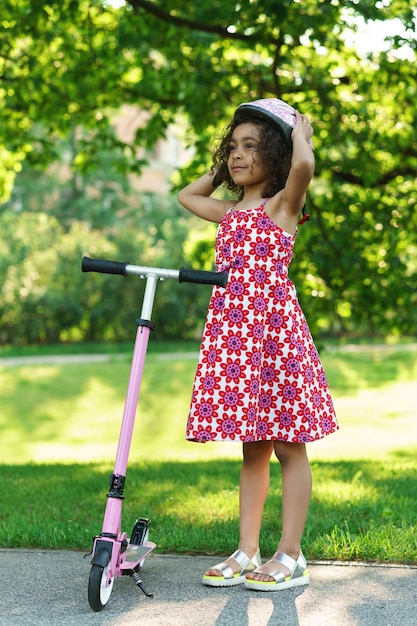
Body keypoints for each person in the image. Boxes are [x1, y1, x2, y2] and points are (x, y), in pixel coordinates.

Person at [178, 98, 338, 592]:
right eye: (233, 147)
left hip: (276, 339)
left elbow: (305, 165)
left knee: (290, 445)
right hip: (238, 344)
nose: (238, 155)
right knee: (252, 449)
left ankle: (290, 554)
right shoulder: (229, 212)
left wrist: (298, 135)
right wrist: (223, 169)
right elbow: (187, 196)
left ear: (275, 151)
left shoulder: (282, 206)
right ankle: (247, 550)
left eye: (251, 146)